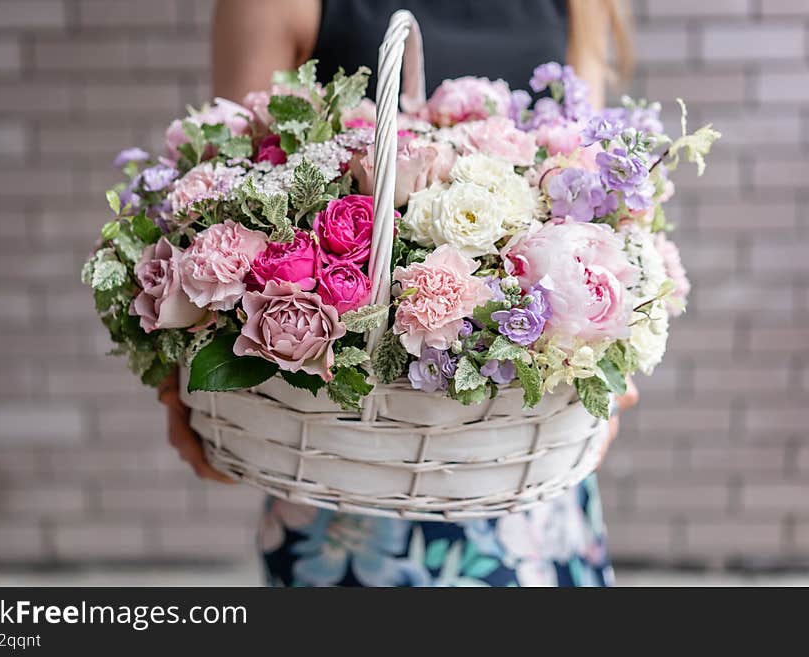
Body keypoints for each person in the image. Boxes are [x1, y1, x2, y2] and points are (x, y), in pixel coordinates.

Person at [157, 0, 639, 586]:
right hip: (351, 476)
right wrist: (180, 385)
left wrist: (609, 352)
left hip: (524, 465)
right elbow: (223, 200)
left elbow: (591, 191)